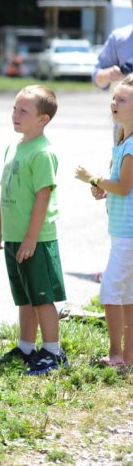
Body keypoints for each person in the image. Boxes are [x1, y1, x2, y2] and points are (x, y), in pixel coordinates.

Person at [0, 85, 67, 375]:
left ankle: (52, 352)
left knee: (42, 297)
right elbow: (5, 190)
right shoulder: (15, 146)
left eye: (23, 110)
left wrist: (31, 237)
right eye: (14, 108)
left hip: (36, 238)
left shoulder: (43, 152)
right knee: (24, 295)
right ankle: (25, 347)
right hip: (13, 236)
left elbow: (42, 196)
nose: (15, 115)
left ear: (42, 119)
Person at [75, 75, 133, 368]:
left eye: (121, 99)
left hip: (128, 235)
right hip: (123, 232)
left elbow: (123, 187)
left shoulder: (132, 145)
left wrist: (93, 178)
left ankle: (115, 354)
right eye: (113, 98)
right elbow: (120, 187)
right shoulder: (121, 139)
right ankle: (127, 357)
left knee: (111, 291)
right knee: (127, 295)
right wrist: (102, 189)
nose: (114, 103)